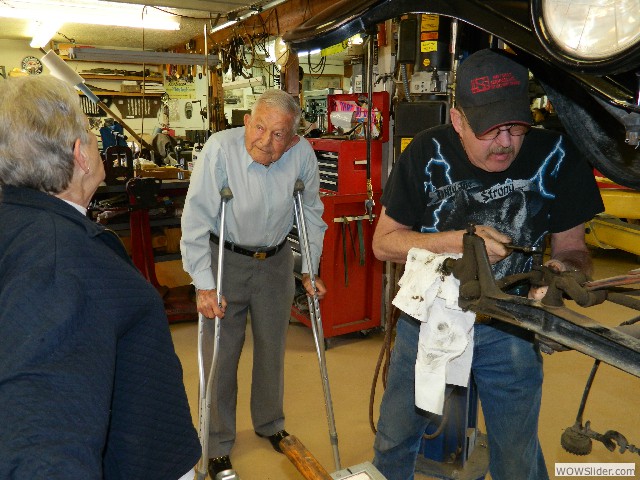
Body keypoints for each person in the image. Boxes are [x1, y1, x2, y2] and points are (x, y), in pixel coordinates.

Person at [371, 49, 604, 480]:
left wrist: (560, 276)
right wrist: (458, 242)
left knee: (515, 455)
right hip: (428, 319)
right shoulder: (427, 151)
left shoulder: (557, 154)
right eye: (490, 129)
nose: (505, 142)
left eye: (516, 127)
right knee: (395, 436)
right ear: (458, 120)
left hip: (510, 326)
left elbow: (572, 250)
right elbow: (383, 244)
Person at [0, 75, 201, 479]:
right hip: (133, 460)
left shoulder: (22, 222)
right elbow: (41, 440)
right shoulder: (58, 260)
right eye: (91, 134)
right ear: (81, 155)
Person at [180, 88, 327, 478]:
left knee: (272, 347)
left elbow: (311, 213)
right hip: (224, 258)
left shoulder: (302, 156)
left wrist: (310, 268)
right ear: (246, 120)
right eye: (259, 127)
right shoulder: (219, 149)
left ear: (293, 137)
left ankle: (270, 423)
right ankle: (215, 441)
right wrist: (203, 284)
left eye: (278, 134)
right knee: (221, 354)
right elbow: (194, 219)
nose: (265, 140)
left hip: (276, 261)